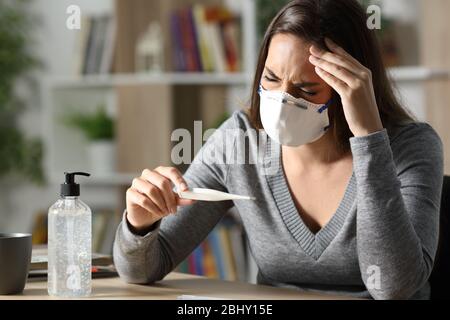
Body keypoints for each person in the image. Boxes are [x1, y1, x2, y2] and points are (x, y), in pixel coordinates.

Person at [113, 0, 443, 300]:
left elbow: (394, 287)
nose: (283, 100)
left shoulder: (412, 147)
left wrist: (369, 137)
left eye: (306, 88)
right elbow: (143, 270)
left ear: (352, 88)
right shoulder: (240, 142)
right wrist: (139, 225)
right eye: (271, 78)